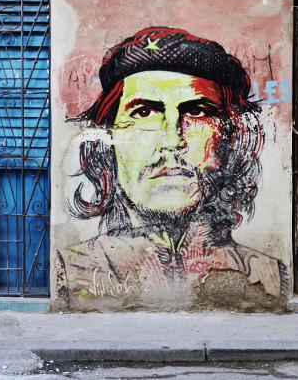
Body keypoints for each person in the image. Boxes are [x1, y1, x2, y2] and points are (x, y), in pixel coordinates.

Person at [55, 27, 286, 309]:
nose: (172, 140)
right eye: (143, 113)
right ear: (107, 140)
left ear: (230, 138)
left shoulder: (268, 276)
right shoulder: (71, 270)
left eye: (197, 112)